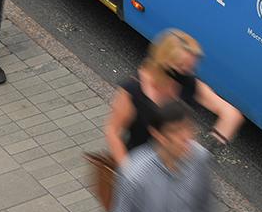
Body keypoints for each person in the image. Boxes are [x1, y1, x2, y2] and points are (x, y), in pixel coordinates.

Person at [104, 29, 244, 165]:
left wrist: (208, 150)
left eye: (190, 68)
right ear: (163, 61)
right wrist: (129, 173)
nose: (187, 73)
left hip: (175, 168)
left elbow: (231, 115)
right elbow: (113, 132)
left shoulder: (187, 82)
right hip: (141, 167)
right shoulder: (133, 89)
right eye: (182, 67)